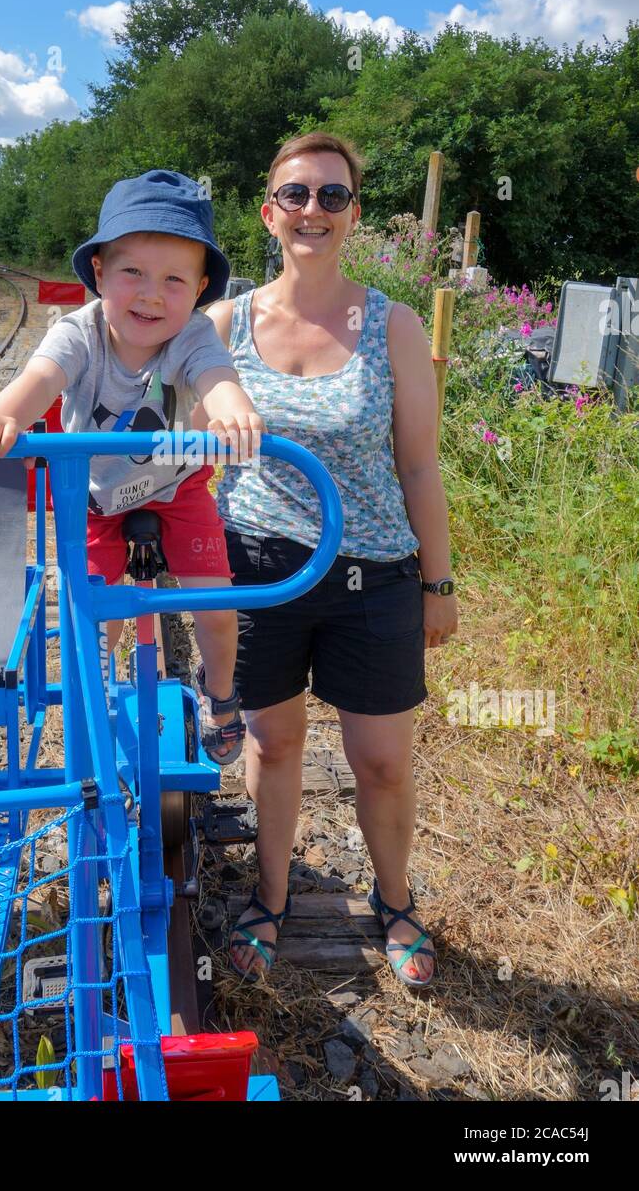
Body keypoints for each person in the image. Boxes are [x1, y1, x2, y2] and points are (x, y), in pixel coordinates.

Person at [196, 132, 458, 986]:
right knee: (274, 748)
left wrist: (438, 582)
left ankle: (396, 900)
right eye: (298, 195)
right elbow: (166, 434)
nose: (315, 210)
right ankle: (271, 899)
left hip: (372, 574)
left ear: (351, 216)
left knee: (381, 759)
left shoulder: (395, 325)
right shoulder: (224, 324)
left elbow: (419, 463)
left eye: (333, 196)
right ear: (270, 213)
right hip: (262, 572)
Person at [0, 169, 263, 764]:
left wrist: (234, 410)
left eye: (174, 280)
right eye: (133, 273)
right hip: (95, 498)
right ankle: (97, 692)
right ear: (99, 273)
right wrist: (3, 416)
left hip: (177, 487)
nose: (151, 294)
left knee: (217, 606)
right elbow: (40, 377)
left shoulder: (194, 335)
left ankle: (219, 692)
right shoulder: (80, 332)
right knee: (97, 617)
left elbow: (216, 377)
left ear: (201, 288)